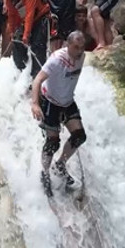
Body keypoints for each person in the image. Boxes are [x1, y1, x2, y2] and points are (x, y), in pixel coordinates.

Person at [30, 30, 88, 197]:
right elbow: (37, 80)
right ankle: (45, 172)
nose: (79, 51)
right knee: (53, 142)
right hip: (50, 102)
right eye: (76, 47)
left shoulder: (81, 57)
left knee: (79, 136)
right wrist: (35, 103)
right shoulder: (57, 59)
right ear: (67, 45)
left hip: (68, 102)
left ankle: (60, 165)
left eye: (82, 48)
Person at [4, 0, 50, 77]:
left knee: (37, 46)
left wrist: (26, 35)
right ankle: (21, 72)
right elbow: (11, 13)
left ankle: (37, 76)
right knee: (17, 42)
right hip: (23, 19)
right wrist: (12, 30)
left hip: (39, 18)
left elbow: (30, 14)